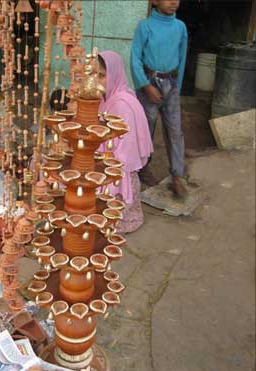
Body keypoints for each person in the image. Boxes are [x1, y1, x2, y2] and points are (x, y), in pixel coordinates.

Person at [131, 0, 188, 198]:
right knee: (146, 128)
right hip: (149, 83)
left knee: (175, 129)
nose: (174, 2)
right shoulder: (145, 26)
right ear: (154, 1)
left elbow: (182, 58)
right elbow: (135, 58)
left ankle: (177, 176)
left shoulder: (180, 27)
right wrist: (145, 86)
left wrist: (177, 88)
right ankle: (141, 168)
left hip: (171, 83)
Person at [98, 51, 153, 234]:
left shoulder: (123, 103)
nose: (96, 81)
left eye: (102, 76)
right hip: (102, 159)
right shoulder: (105, 99)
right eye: (93, 75)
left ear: (114, 74)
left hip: (118, 169)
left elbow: (126, 153)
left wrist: (99, 160)